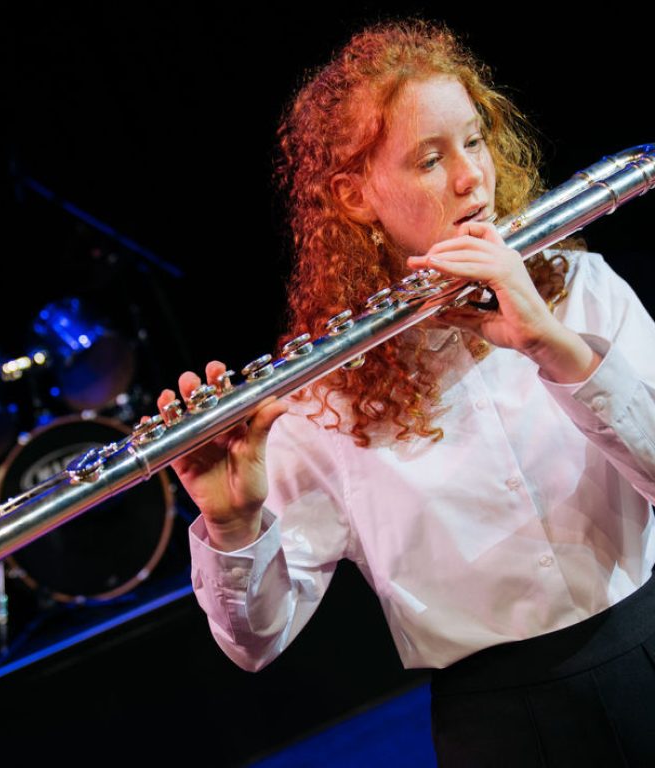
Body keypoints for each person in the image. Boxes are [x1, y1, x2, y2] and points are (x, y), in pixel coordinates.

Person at [156, 19, 655, 766]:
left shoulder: (582, 291)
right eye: (429, 158)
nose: (471, 179)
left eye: (475, 141)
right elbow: (254, 644)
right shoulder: (322, 397)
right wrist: (233, 527)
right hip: (504, 727)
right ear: (357, 196)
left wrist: (555, 347)